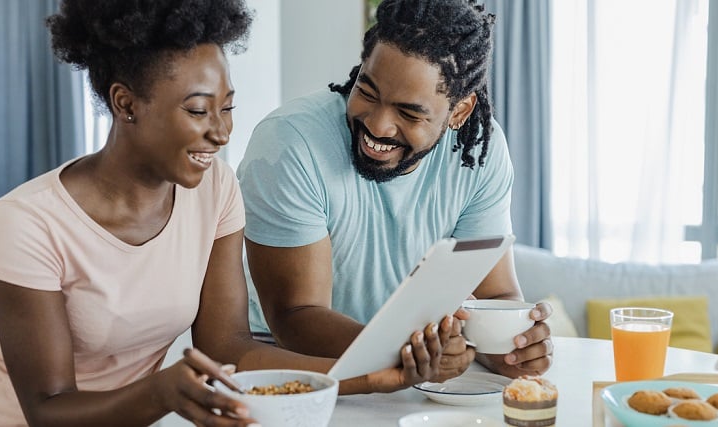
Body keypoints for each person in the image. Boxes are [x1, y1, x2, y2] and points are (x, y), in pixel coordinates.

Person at [0, 1, 456, 426]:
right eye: (197, 110)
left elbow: (231, 347)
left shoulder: (214, 189)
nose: (221, 131)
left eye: (227, 107)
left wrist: (376, 377)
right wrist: (159, 395)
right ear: (126, 104)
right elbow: (47, 410)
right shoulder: (27, 222)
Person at [237, 0, 553, 380]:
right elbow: (295, 316)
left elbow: (495, 294)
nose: (378, 126)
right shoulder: (290, 143)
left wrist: (508, 347)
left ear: (460, 112)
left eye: (409, 112)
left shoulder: (477, 152)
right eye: (367, 92)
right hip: (294, 366)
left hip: (406, 369)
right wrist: (407, 352)